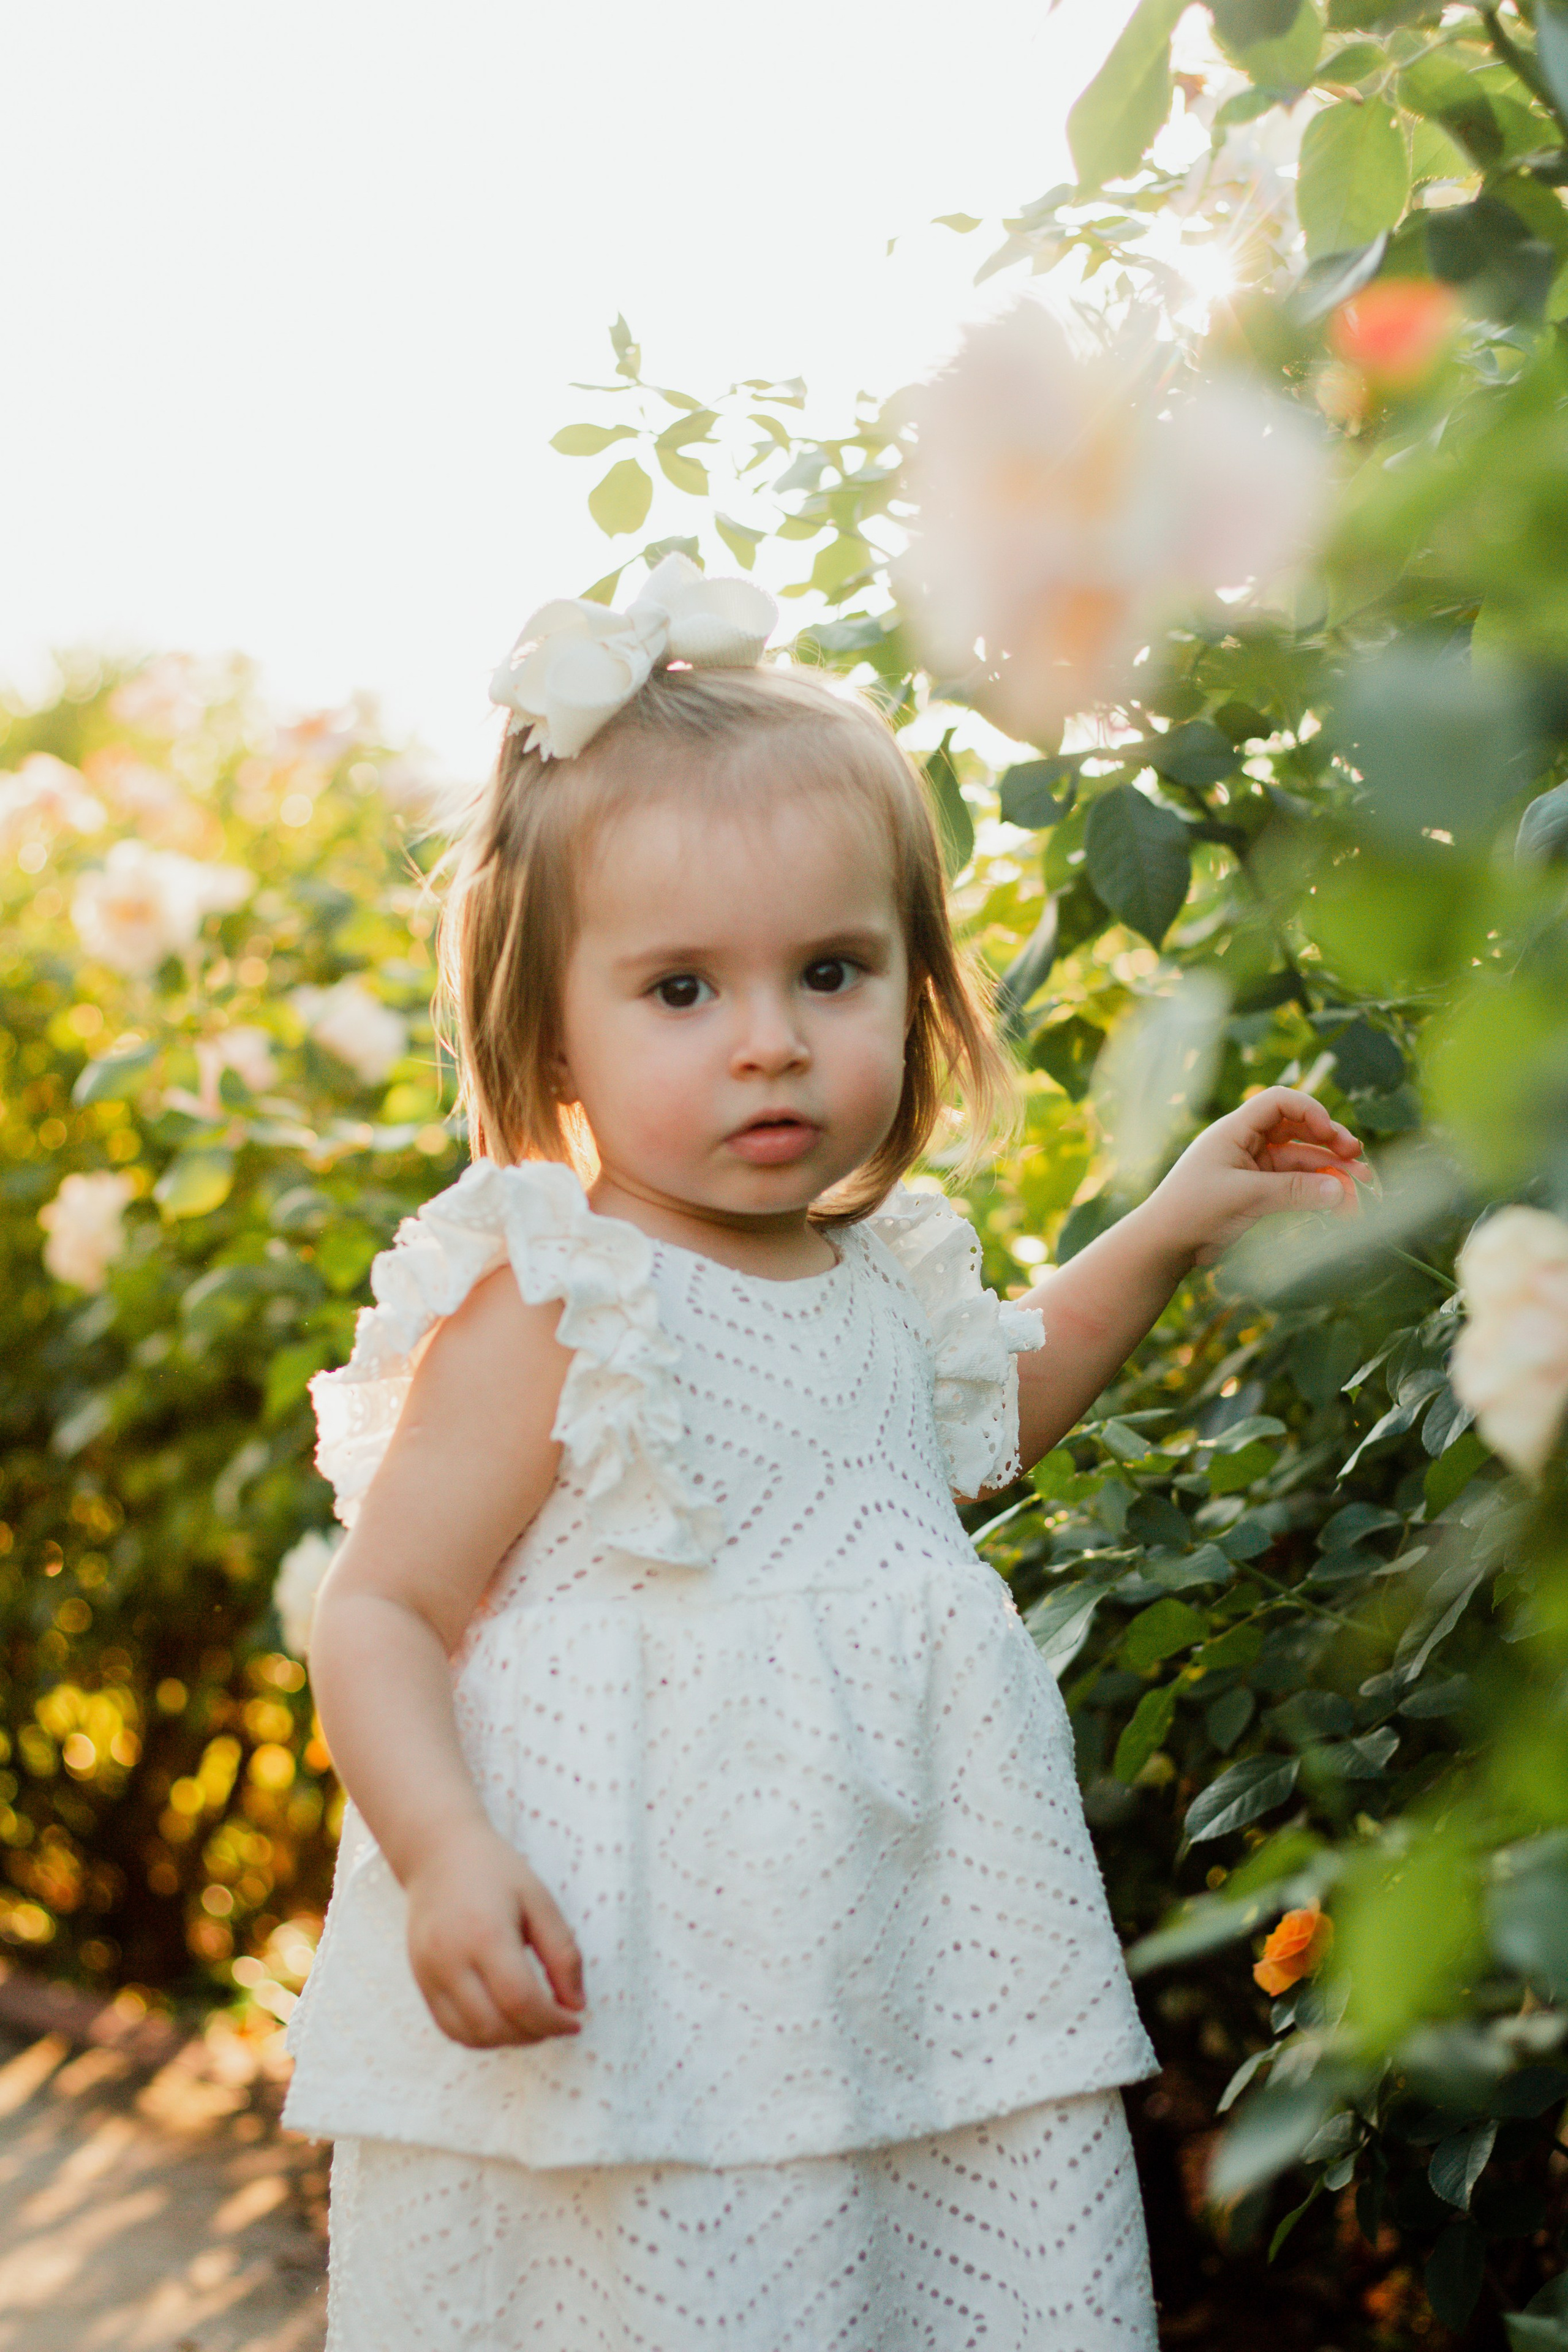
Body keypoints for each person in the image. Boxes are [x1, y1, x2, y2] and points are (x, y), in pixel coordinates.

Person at [284, 555, 1368, 2350]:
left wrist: (1169, 1223)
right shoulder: (562, 1297)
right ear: (552, 1017)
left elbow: (987, 1409)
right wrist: (445, 1850)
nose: (774, 1040)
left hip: (898, 1978)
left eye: (833, 971)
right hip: (639, 1994)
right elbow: (384, 1607)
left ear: (917, 981)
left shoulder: (876, 1282)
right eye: (683, 991)